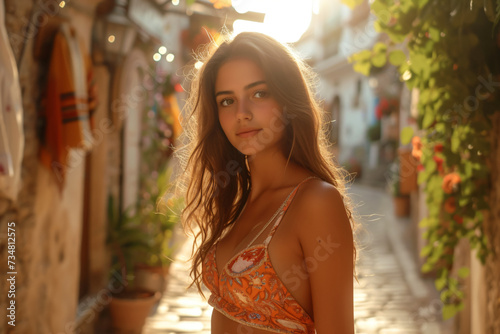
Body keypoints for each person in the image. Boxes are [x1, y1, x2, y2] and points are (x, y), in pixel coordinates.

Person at [175, 32, 357, 334]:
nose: (242, 114)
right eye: (227, 100)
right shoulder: (240, 203)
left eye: (259, 93)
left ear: (287, 100)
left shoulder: (316, 202)